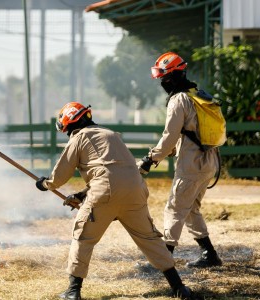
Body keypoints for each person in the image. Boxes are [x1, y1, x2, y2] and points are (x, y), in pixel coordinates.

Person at [35, 102, 193, 300]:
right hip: (136, 190)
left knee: (83, 237)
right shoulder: (112, 135)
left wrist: (45, 184)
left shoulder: (79, 137)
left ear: (69, 125)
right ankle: (179, 288)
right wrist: (84, 194)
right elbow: (115, 171)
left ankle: (73, 291)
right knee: (150, 239)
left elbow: (61, 175)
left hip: (104, 192)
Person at [137, 52, 223, 268]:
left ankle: (162, 260)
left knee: (174, 208)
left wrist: (151, 158)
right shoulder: (198, 94)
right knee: (191, 208)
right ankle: (209, 254)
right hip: (210, 162)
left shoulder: (178, 99)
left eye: (164, 78)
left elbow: (170, 136)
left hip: (192, 165)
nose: (162, 83)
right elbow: (190, 133)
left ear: (173, 77)